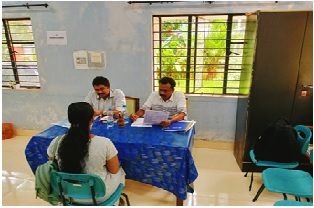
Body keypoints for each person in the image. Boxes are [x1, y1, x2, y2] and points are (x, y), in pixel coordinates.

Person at [47, 102, 125, 205]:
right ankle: (116, 201)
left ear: (69, 120)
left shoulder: (56, 142)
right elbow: (114, 170)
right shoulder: (104, 143)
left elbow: (53, 165)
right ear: (92, 119)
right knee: (121, 171)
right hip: (99, 196)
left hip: (66, 194)